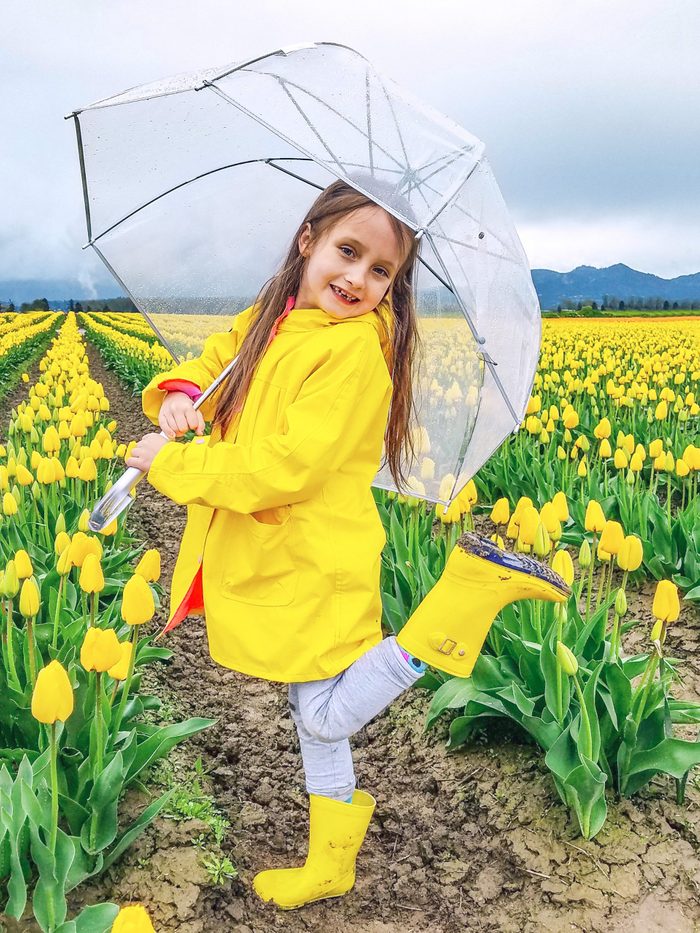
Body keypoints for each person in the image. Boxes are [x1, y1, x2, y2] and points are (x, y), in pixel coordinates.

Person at [126, 179, 569, 911]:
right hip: (284, 555)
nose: (357, 279)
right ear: (309, 241)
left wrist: (173, 463)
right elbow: (221, 354)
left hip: (314, 556)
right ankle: (330, 864)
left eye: (380, 271)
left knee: (322, 715)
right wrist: (181, 391)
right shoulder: (275, 319)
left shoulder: (354, 354)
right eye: (348, 251)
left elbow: (284, 468)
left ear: (394, 286)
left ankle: (462, 601)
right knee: (318, 721)